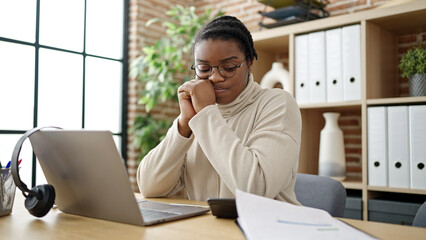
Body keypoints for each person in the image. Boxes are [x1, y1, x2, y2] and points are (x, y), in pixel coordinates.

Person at [136, 15, 302, 204]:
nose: (214, 77)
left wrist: (206, 114)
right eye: (204, 68)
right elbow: (149, 187)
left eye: (229, 67)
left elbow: (256, 189)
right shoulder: (197, 115)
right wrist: (184, 125)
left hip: (267, 229)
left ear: (250, 63)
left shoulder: (277, 103)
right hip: (210, 230)